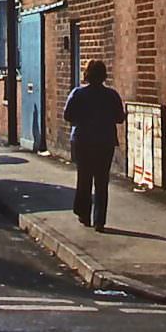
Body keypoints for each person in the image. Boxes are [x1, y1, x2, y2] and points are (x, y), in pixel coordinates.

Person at [63, 60, 126, 232]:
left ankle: (84, 213)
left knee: (84, 178)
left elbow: (67, 115)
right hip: (105, 141)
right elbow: (120, 118)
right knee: (102, 180)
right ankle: (100, 220)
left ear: (87, 75)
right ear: (104, 75)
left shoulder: (78, 93)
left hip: (82, 140)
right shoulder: (112, 95)